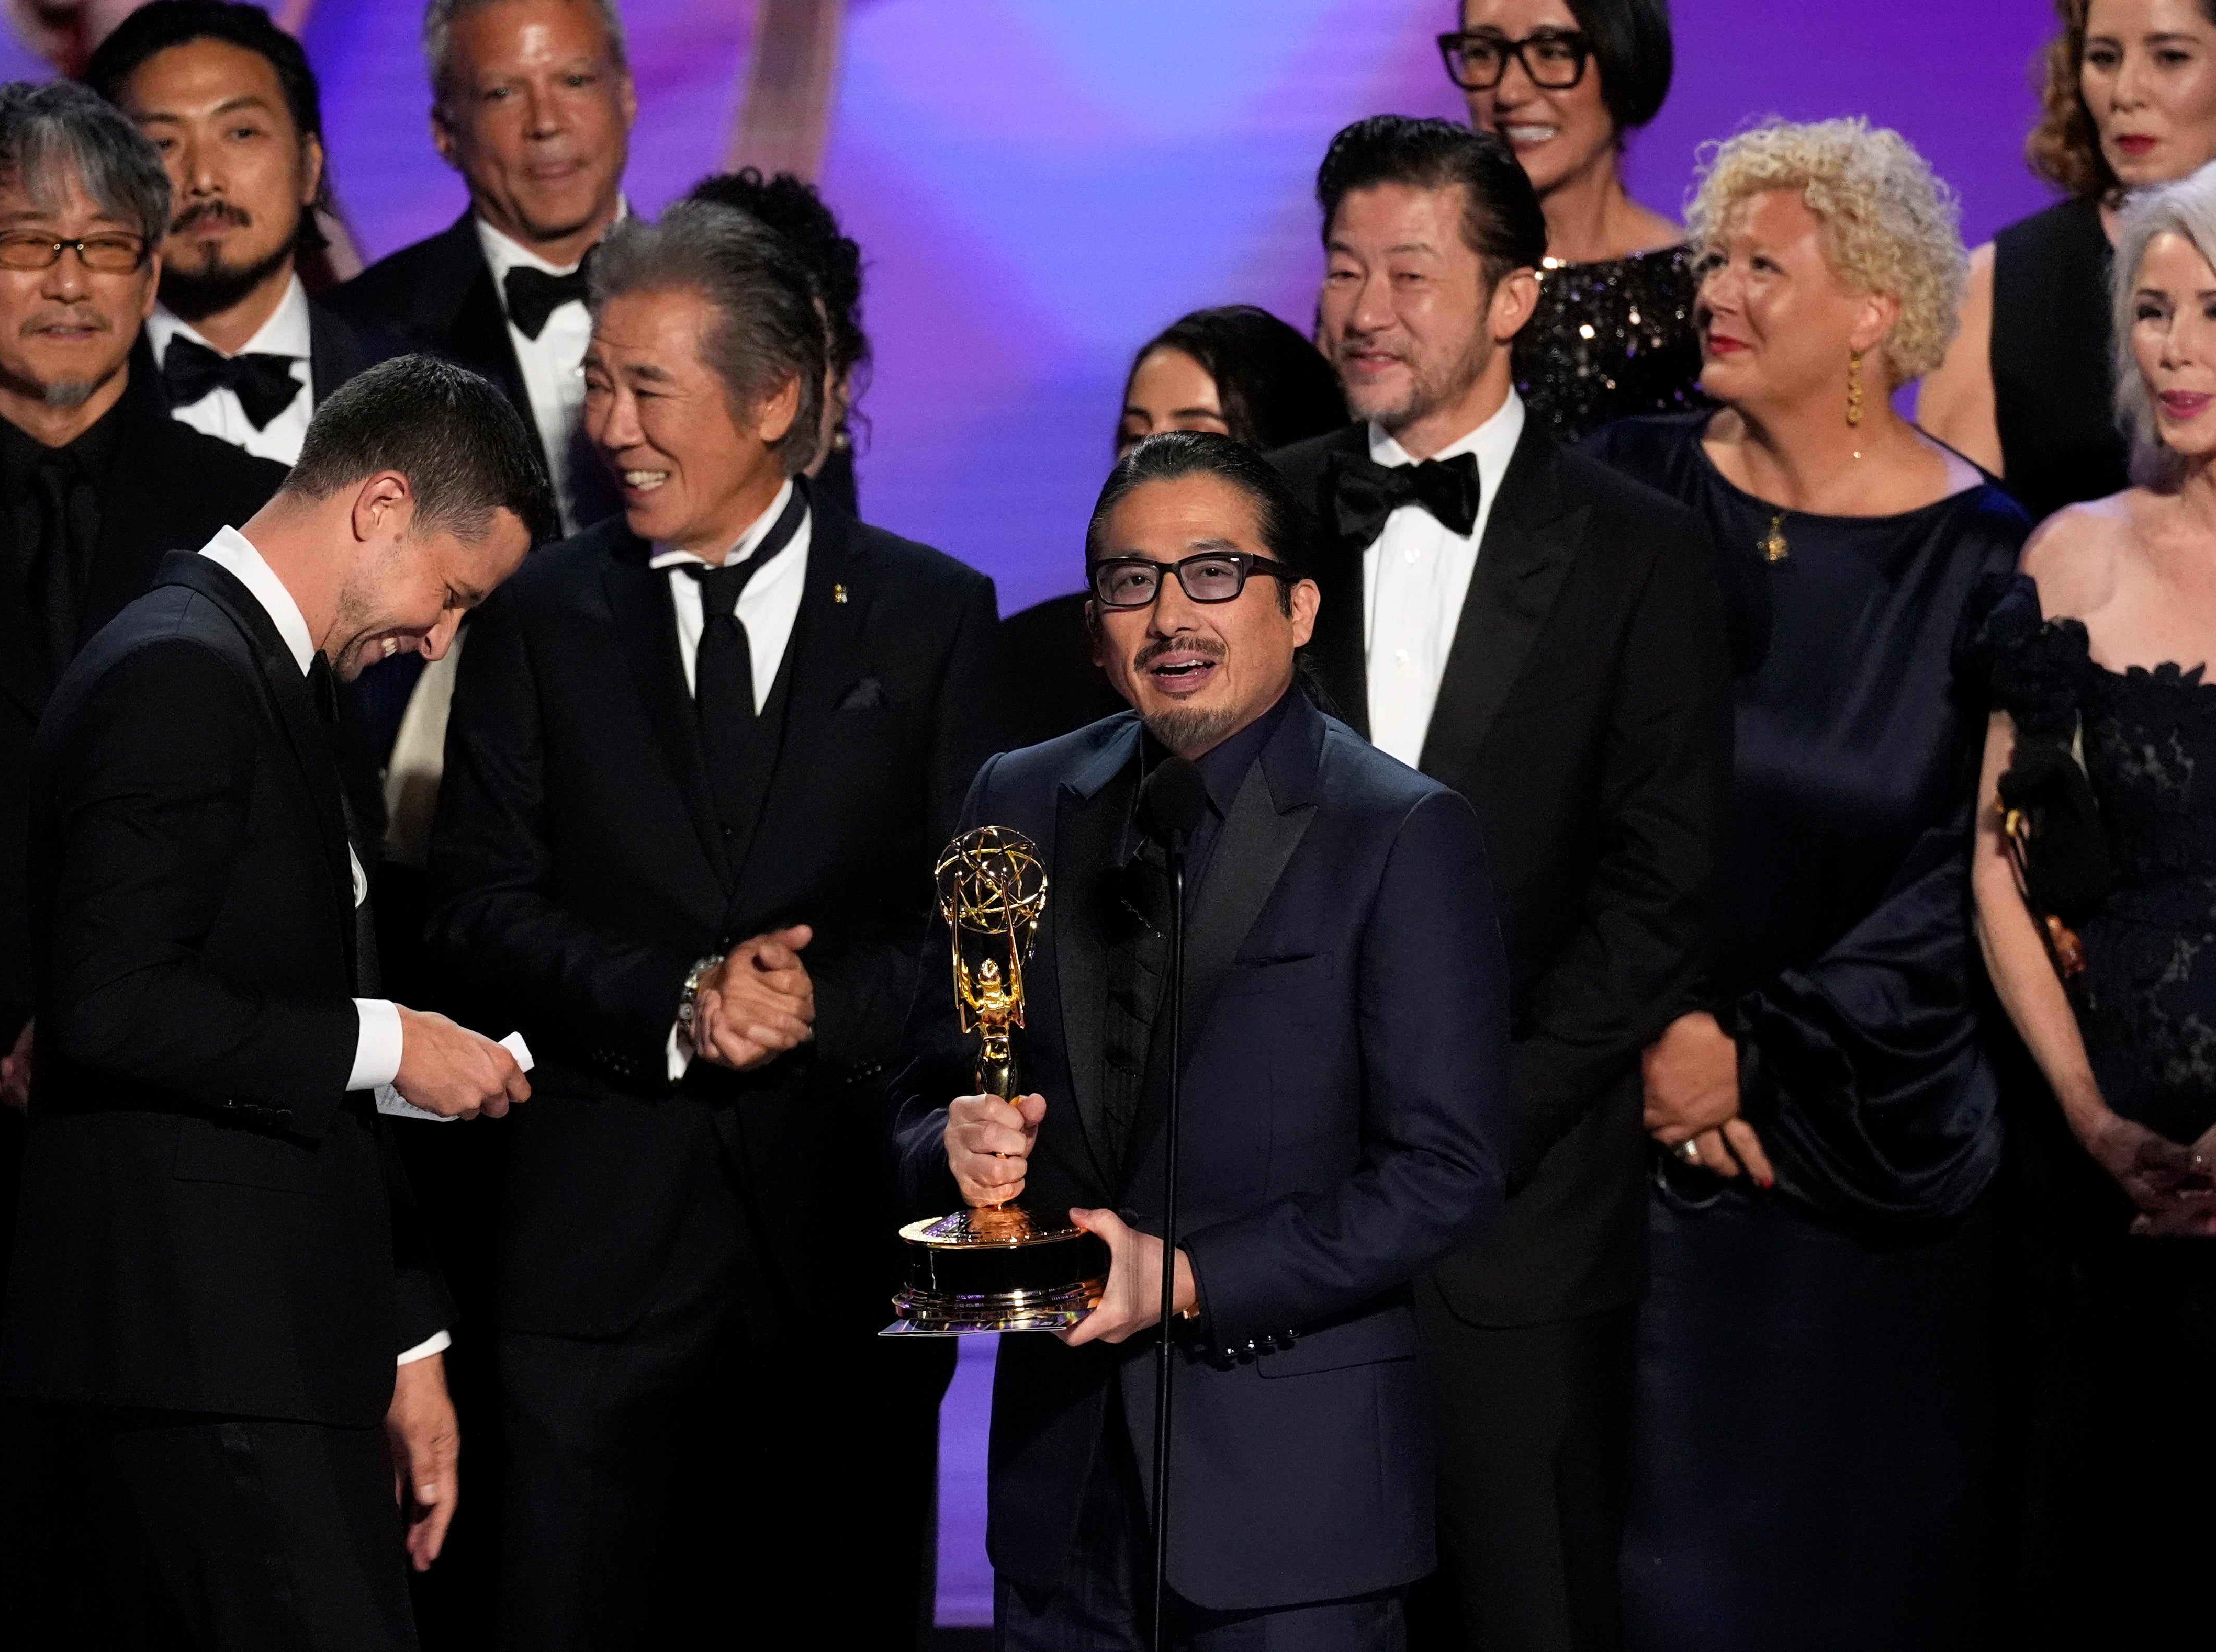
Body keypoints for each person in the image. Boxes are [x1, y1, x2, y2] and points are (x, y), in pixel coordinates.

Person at [423, 198, 1000, 1651]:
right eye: (595, 383)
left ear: (775, 397)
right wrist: (676, 998)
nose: (606, 423)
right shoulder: (539, 615)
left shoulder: (932, 617)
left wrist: (823, 1006)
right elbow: (473, 916)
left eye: (645, 387)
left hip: (839, 1266)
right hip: (587, 1268)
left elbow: (984, 938)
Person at [895, 430, 1513, 1650]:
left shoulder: (1399, 831)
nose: (1170, 615)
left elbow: (1448, 1172)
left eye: (1212, 573)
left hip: (1294, 1516)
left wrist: (1182, 1279)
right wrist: (951, 1144)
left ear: (1298, 605)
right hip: (1058, 1504)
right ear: (1093, 630)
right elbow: (926, 1088)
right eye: (1129, 582)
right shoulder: (1014, 799)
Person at [1, 352, 552, 1648]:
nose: (438, 639)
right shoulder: (181, 671)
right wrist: (392, 1043)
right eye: (451, 594)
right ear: (381, 507)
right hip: (199, 1346)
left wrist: (406, 1340)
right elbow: (111, 1004)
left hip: (263, 1339)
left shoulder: (269, 674)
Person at [1270, 116, 1731, 1652]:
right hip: (1268, 1220)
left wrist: (1469, 1121)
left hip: (1518, 1229)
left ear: (1516, 297)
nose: (1364, 308)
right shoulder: (1253, 523)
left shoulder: (1641, 552)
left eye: (1411, 270)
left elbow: (1655, 892)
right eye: (1344, 269)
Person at [1582, 118, 2027, 1650]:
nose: (1723, 287)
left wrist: (1749, 1048)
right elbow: (1547, 796)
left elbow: (1960, 881)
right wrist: (1647, 1041)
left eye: (1770, 266)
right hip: (1609, 1153)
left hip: (1847, 1180)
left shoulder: (1983, 565)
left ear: (1875, 311)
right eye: (1718, 255)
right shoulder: (1617, 495)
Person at [0, 80, 287, 1647]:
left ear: (155, 264)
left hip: (185, 1180)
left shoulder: (259, 529)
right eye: (27, 242)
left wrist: (125, 1026)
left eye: (108, 244)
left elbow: (298, 853)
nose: (69, 281)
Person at [1970, 156, 2216, 1648]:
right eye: (2147, 311)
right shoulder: (2071, 552)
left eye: (2212, 312)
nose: (2171, 347)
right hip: (2096, 1156)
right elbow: (1991, 859)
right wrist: (2083, 1110)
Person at [1917, 0, 2216, 521]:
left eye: (2171, 57)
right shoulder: (1995, 290)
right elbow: (1953, 554)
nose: (2126, 94)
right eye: (2104, 58)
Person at [331, 0, 635, 538]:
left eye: (575, 81)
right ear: (445, 132)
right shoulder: (356, 335)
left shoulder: (738, 294)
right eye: (503, 93)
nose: (546, 123)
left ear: (626, 96)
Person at [1007, 304, 1349, 748]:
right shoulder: (1026, 660)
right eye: (1135, 436)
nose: (1151, 461)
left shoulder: (1351, 647)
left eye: (1195, 436)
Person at [84, 0, 397, 467]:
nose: (204, 178)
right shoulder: (61, 405)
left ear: (310, 167)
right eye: (162, 144)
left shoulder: (419, 383)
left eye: (241, 133)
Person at [1438, 0, 1706, 443]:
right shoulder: (1416, 279)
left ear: (1627, 59)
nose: (1509, 92)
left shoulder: (1704, 290)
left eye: (1552, 51)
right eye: (1483, 52)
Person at [688, 166, 871, 517]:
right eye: (730, 365)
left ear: (841, 382)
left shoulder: (900, 571)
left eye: (789, 365)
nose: (764, 405)